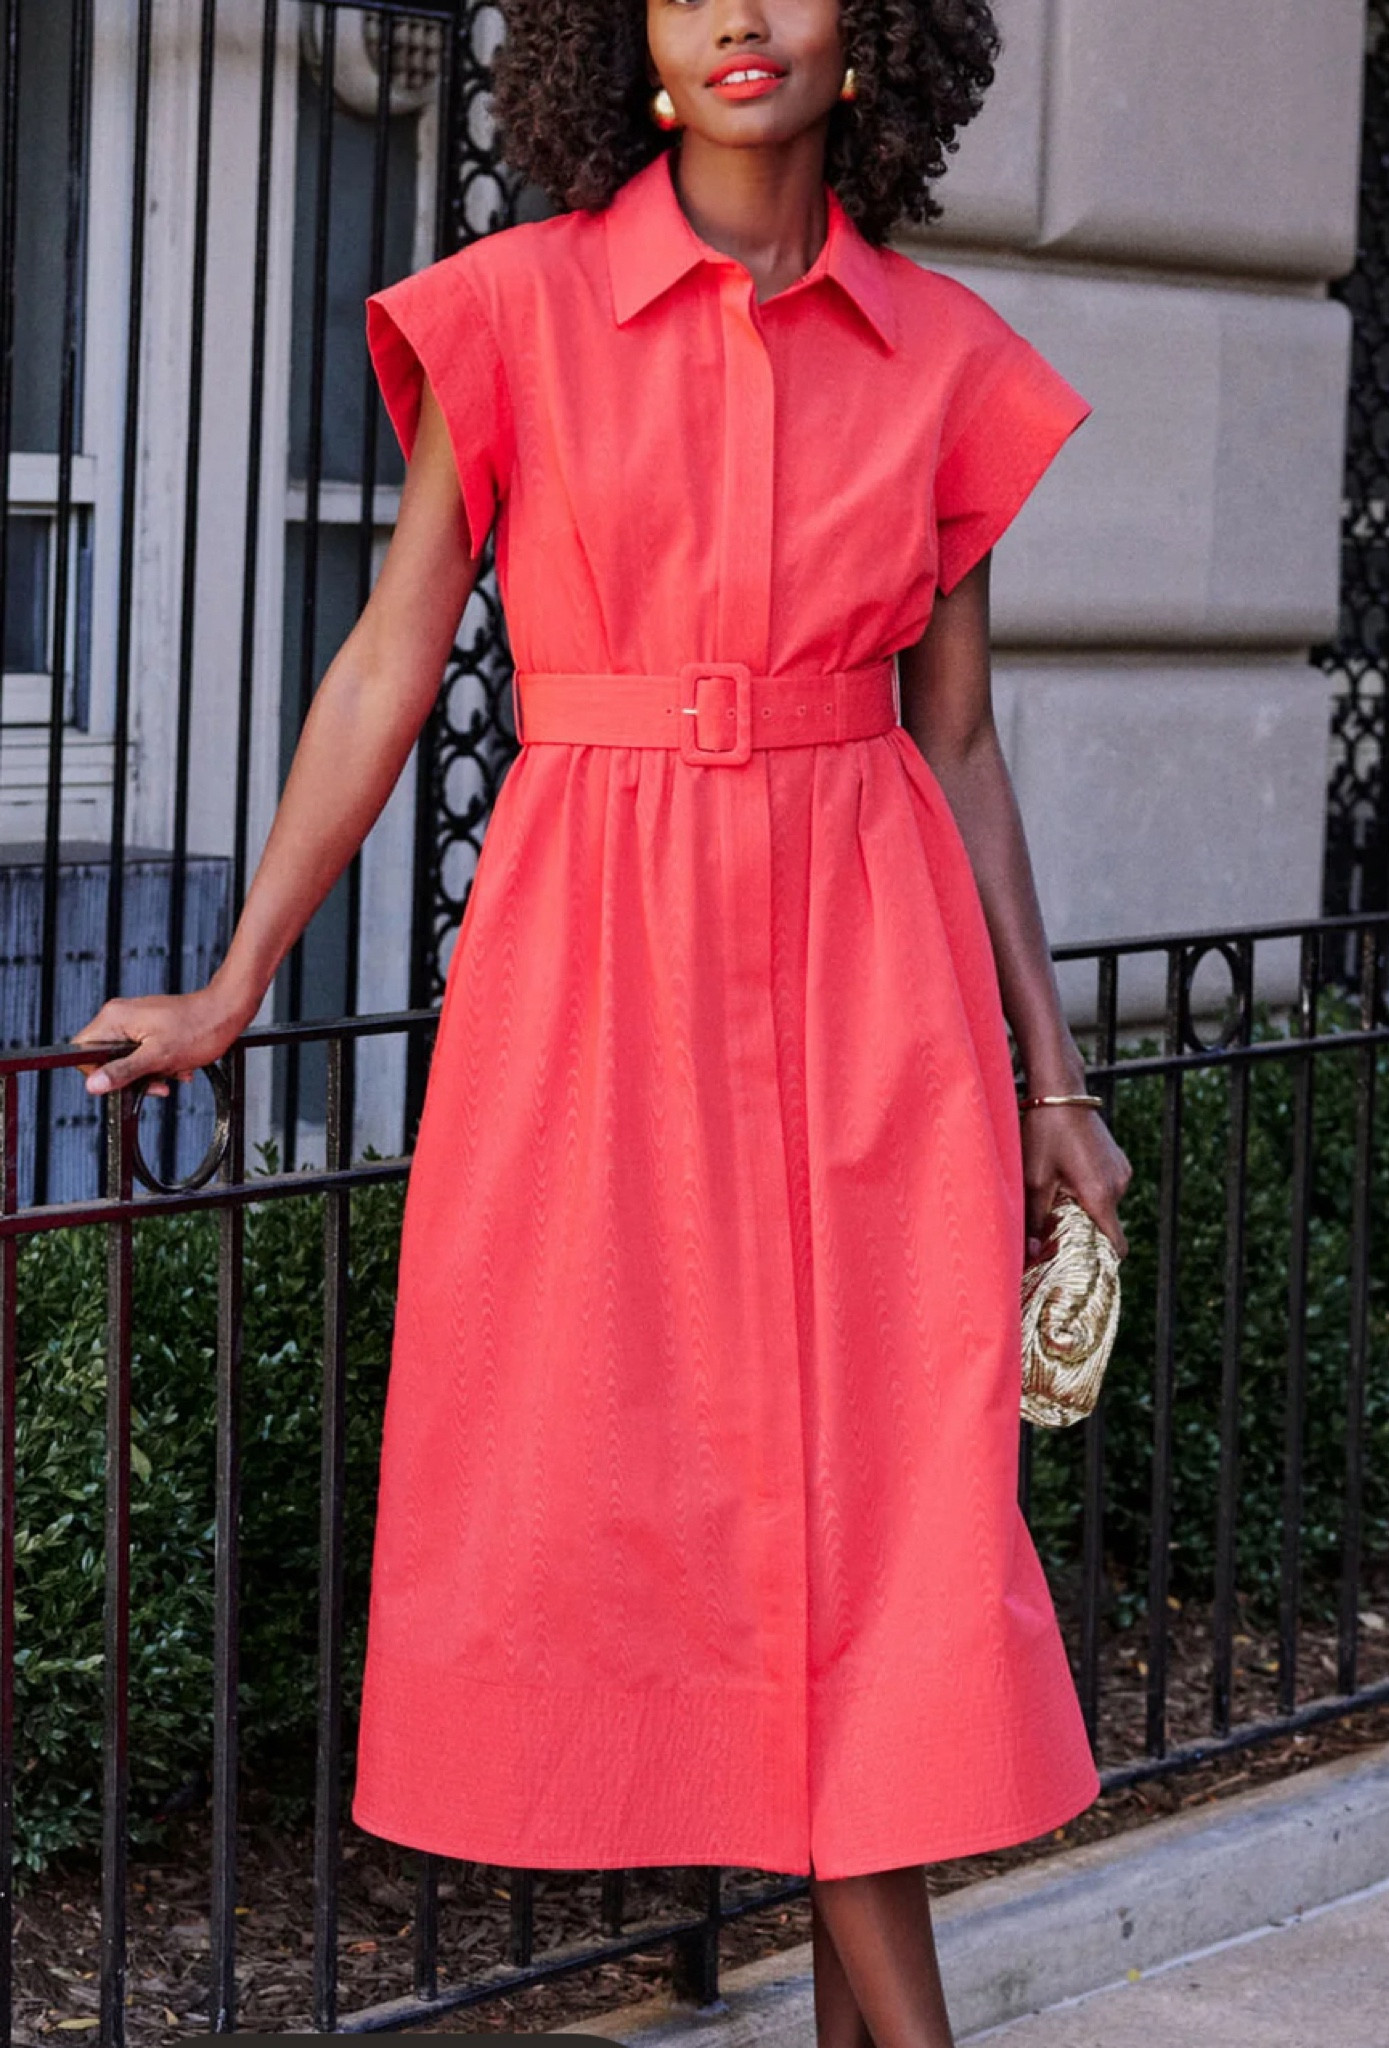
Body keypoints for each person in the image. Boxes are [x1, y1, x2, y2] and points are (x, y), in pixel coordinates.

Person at [74, 0, 1131, 2039]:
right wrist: (233, 980)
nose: (741, 15)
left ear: (875, 39)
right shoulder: (513, 315)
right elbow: (389, 662)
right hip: (602, 986)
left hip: (877, 985)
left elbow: (965, 743)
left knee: (892, 1540)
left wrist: (1053, 1080)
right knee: (694, 1519)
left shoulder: (945, 361)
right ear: (623, 36)